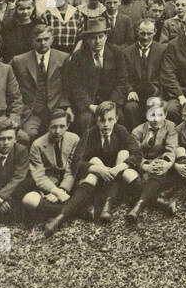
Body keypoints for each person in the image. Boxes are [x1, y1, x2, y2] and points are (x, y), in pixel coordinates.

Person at [44, 101, 142, 235]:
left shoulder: (121, 131)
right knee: (94, 162)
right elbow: (76, 162)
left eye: (110, 119)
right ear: (96, 120)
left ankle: (108, 204)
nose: (106, 124)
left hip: (118, 182)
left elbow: (137, 154)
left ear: (116, 119)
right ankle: (60, 218)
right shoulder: (90, 134)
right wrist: (97, 169)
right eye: (102, 120)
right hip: (98, 183)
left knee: (124, 154)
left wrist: (119, 167)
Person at [126, 98, 179, 223]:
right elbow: (135, 153)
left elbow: (171, 148)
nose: (156, 119)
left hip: (161, 165)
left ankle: (138, 207)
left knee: (158, 170)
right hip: (144, 166)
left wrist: (166, 163)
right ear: (146, 115)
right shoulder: (137, 131)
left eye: (160, 115)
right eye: (152, 115)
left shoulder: (170, 126)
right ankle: (161, 202)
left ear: (165, 115)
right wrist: (145, 166)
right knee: (131, 177)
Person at [22, 110, 82, 219]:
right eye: (53, 127)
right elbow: (39, 176)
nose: (57, 131)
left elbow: (72, 169)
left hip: (69, 183)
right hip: (48, 185)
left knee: (87, 183)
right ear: (47, 126)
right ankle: (76, 212)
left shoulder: (74, 139)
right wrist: (55, 191)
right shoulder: (37, 145)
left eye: (62, 126)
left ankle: (54, 211)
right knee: (28, 200)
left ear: (68, 126)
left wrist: (63, 189)